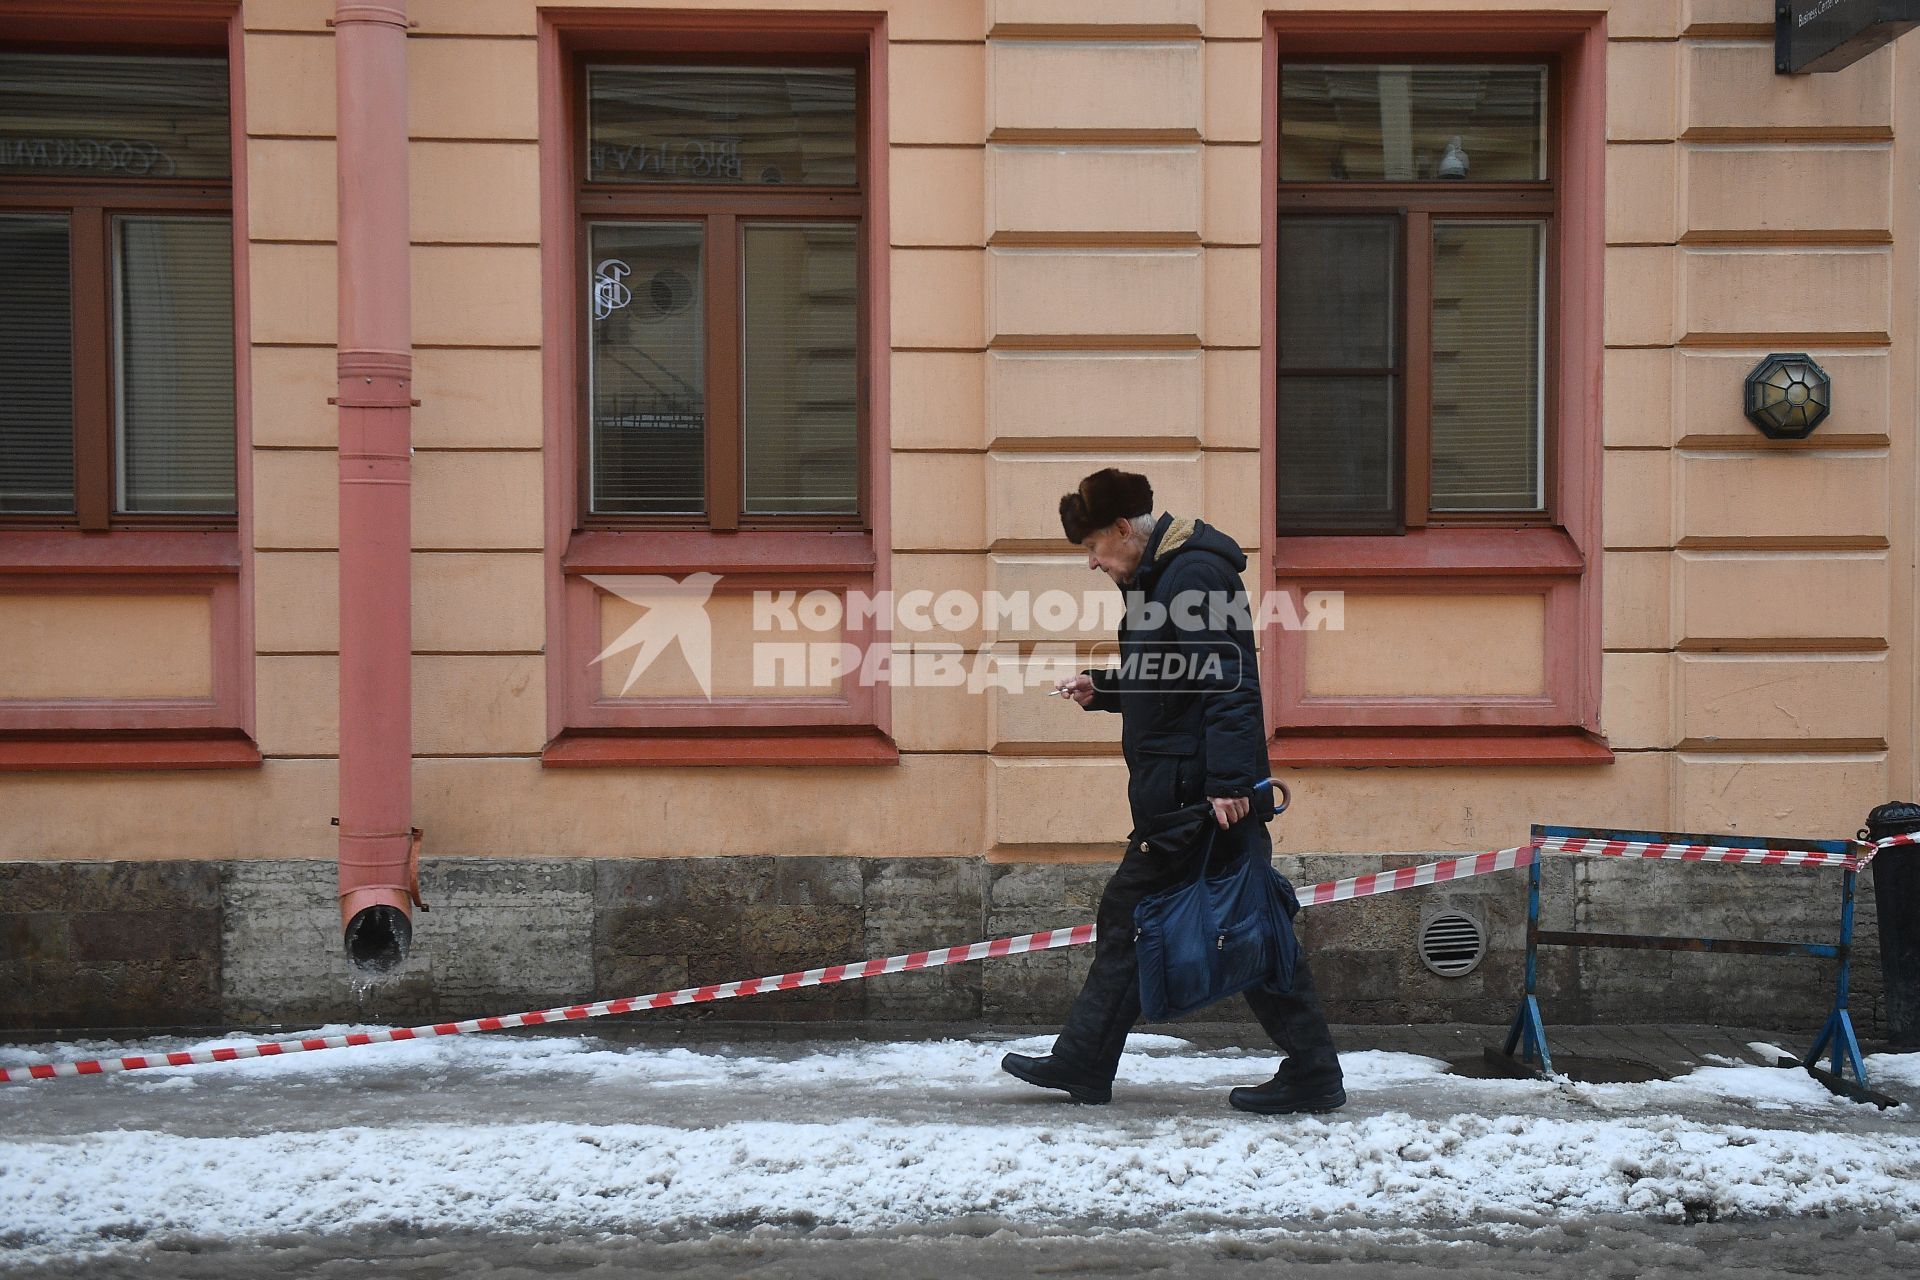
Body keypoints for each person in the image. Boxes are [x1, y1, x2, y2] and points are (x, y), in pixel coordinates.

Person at [999, 468, 1346, 1114]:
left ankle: (1086, 1060)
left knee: (1136, 912)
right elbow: (1170, 678)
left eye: (1095, 549)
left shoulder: (1195, 576)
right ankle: (1313, 1070)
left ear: (1124, 530)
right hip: (1192, 789)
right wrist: (1103, 688)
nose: (1094, 564)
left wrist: (1230, 785)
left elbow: (1229, 682)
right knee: (1249, 924)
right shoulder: (1159, 577)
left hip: (1201, 797)